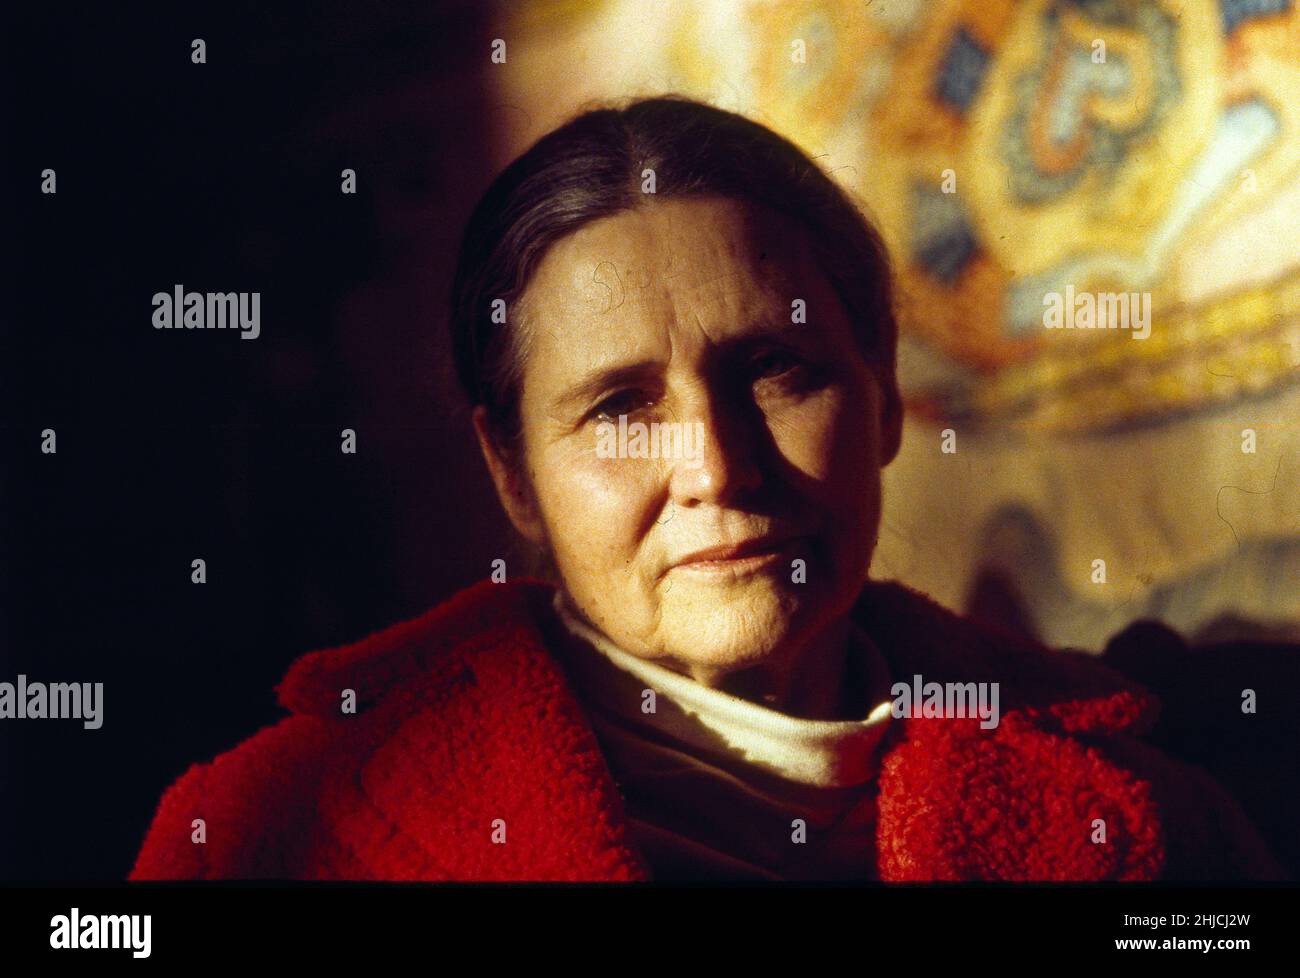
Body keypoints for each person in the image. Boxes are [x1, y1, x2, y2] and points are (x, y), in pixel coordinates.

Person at [129, 96, 1284, 882]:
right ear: (512, 474)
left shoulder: (1145, 812)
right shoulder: (274, 838)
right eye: (620, 408)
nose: (718, 469)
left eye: (775, 372)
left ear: (880, 397)